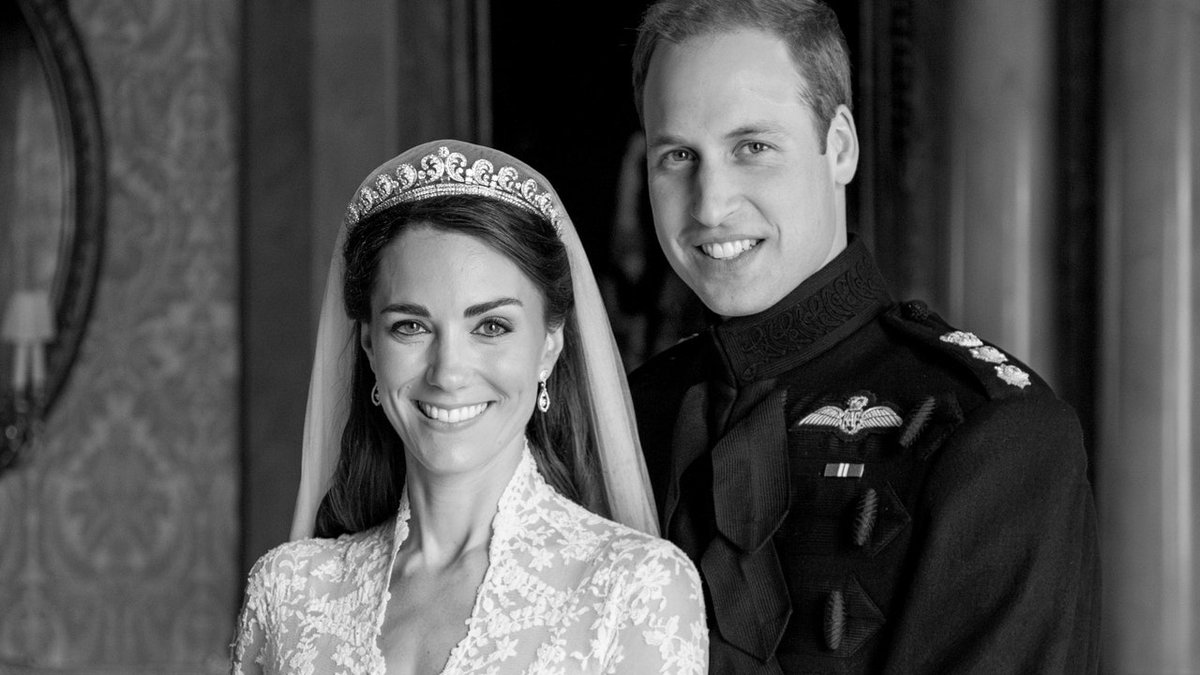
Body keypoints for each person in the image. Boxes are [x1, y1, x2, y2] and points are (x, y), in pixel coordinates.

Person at [627, 1, 1101, 672]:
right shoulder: (630, 414)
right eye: (677, 156)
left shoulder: (994, 432)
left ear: (840, 145)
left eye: (753, 148)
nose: (709, 204)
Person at [230, 140, 708, 674]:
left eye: (491, 327)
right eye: (410, 327)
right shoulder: (289, 592)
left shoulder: (636, 588)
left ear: (549, 345)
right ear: (368, 345)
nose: (449, 373)